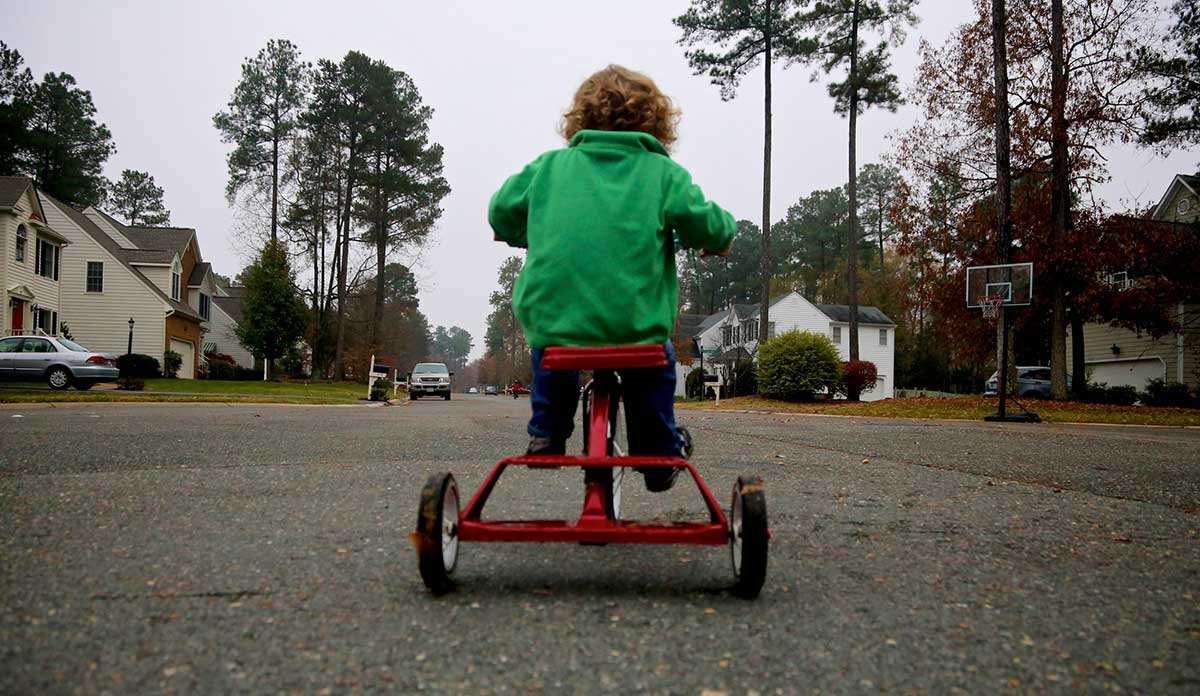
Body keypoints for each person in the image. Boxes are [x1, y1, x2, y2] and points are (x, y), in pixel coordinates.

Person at [488, 64, 735, 492]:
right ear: (658, 124)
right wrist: (719, 237)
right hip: (633, 325)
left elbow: (501, 211)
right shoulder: (663, 175)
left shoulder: (548, 168)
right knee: (653, 372)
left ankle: (546, 435)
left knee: (551, 353)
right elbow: (710, 225)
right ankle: (658, 454)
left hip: (557, 323)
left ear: (578, 120)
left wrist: (519, 231)